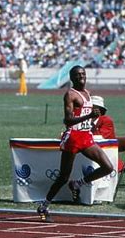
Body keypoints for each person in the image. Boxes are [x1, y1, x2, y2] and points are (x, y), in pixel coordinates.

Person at [36, 65, 114, 222]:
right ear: (72, 78)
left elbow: (85, 115)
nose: (81, 77)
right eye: (77, 75)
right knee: (63, 177)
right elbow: (68, 120)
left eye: (83, 74)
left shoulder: (88, 93)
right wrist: (89, 116)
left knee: (108, 167)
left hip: (86, 136)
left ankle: (78, 183)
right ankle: (44, 205)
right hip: (73, 138)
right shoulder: (70, 95)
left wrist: (93, 118)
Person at [90, 95, 124, 172]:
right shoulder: (87, 120)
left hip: (108, 155)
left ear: (99, 110)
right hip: (93, 154)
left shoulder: (106, 121)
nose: (90, 110)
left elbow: (100, 138)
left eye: (93, 107)